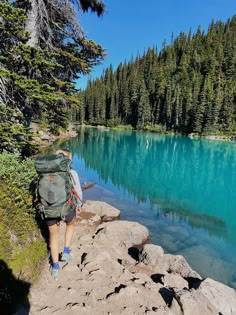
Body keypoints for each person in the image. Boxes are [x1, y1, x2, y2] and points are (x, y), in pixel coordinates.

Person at [46, 149, 83, 279]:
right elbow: (78, 191)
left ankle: (55, 267)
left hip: (50, 209)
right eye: (71, 157)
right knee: (71, 224)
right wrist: (79, 205)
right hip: (67, 207)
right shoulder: (71, 173)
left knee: (53, 237)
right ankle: (66, 251)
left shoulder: (46, 173)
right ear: (68, 160)